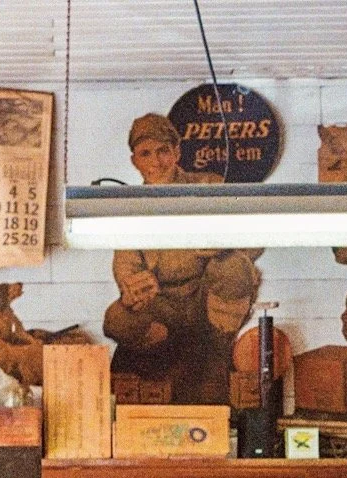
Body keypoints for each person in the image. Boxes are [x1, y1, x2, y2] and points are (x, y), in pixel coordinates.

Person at [102, 113, 263, 406]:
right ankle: (154, 343)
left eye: (163, 151)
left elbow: (256, 238)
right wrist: (134, 289)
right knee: (116, 318)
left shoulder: (208, 187)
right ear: (134, 161)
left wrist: (220, 243)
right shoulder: (129, 209)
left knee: (233, 267)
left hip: (206, 303)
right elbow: (125, 267)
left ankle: (220, 334)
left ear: (177, 152)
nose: (155, 161)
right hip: (162, 308)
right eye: (145, 153)